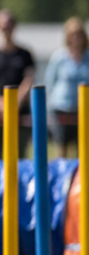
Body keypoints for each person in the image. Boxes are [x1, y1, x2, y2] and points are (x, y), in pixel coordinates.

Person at [0, 9, 35, 160]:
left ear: (14, 27)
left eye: (9, 25)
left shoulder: (25, 55)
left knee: (20, 154)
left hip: (20, 109)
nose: (6, 29)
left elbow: (29, 79)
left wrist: (15, 102)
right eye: (3, 26)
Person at [45, 17, 89, 158]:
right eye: (72, 34)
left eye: (79, 34)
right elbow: (49, 81)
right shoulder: (59, 57)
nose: (76, 38)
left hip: (83, 109)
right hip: (61, 109)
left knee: (83, 149)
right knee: (61, 149)